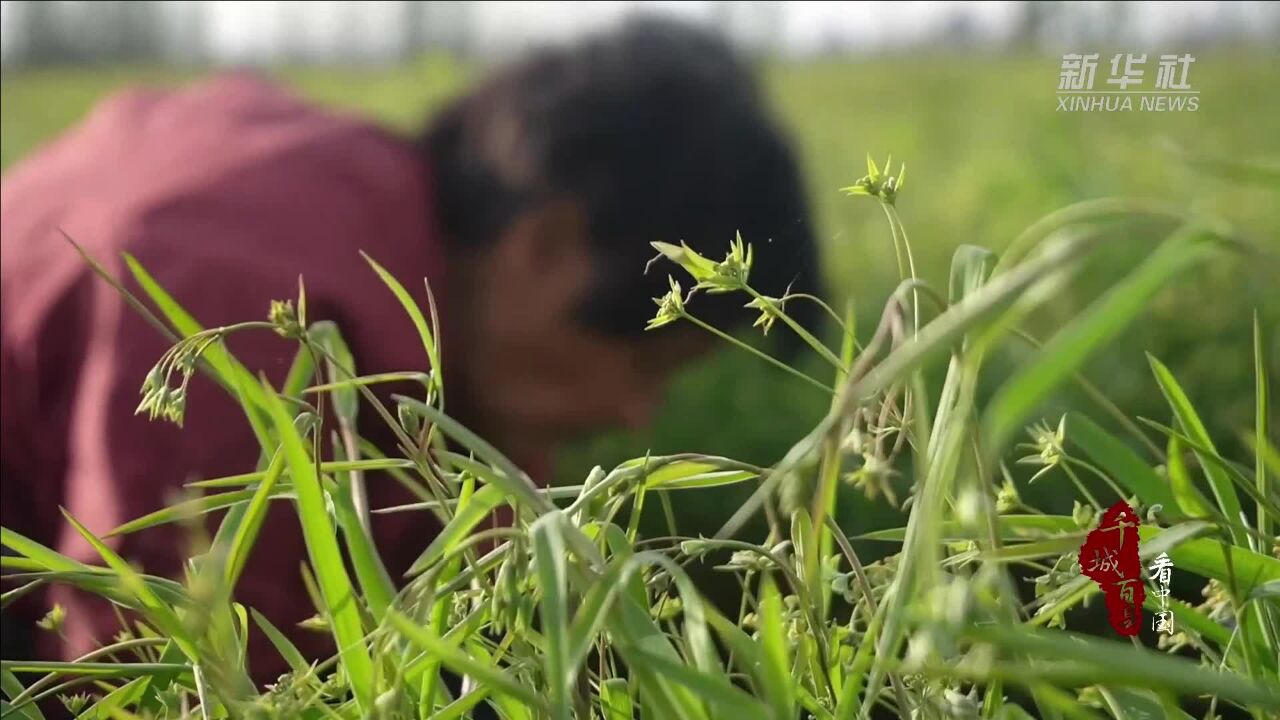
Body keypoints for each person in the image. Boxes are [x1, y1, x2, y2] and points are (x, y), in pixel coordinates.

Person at [0, 18, 820, 682]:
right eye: (648, 364)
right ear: (548, 245)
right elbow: (154, 679)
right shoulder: (268, 322)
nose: (635, 417)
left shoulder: (394, 250)